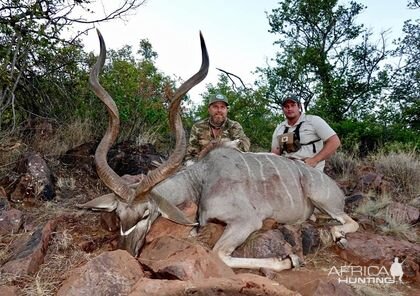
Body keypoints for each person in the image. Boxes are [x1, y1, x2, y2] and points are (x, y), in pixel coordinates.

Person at [271, 94, 340, 171]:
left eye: (293, 105)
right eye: (286, 106)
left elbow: (334, 141)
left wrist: (314, 160)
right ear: (283, 109)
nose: (289, 108)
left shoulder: (313, 121)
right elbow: (275, 153)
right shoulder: (280, 128)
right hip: (288, 169)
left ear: (299, 106)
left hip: (310, 170)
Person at [185, 94, 250, 163]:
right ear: (209, 109)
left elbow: (244, 145)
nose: (219, 110)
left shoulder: (234, 126)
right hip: (204, 166)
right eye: (215, 107)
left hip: (229, 165)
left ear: (226, 110)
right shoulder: (198, 127)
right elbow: (191, 154)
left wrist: (224, 145)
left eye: (222, 107)